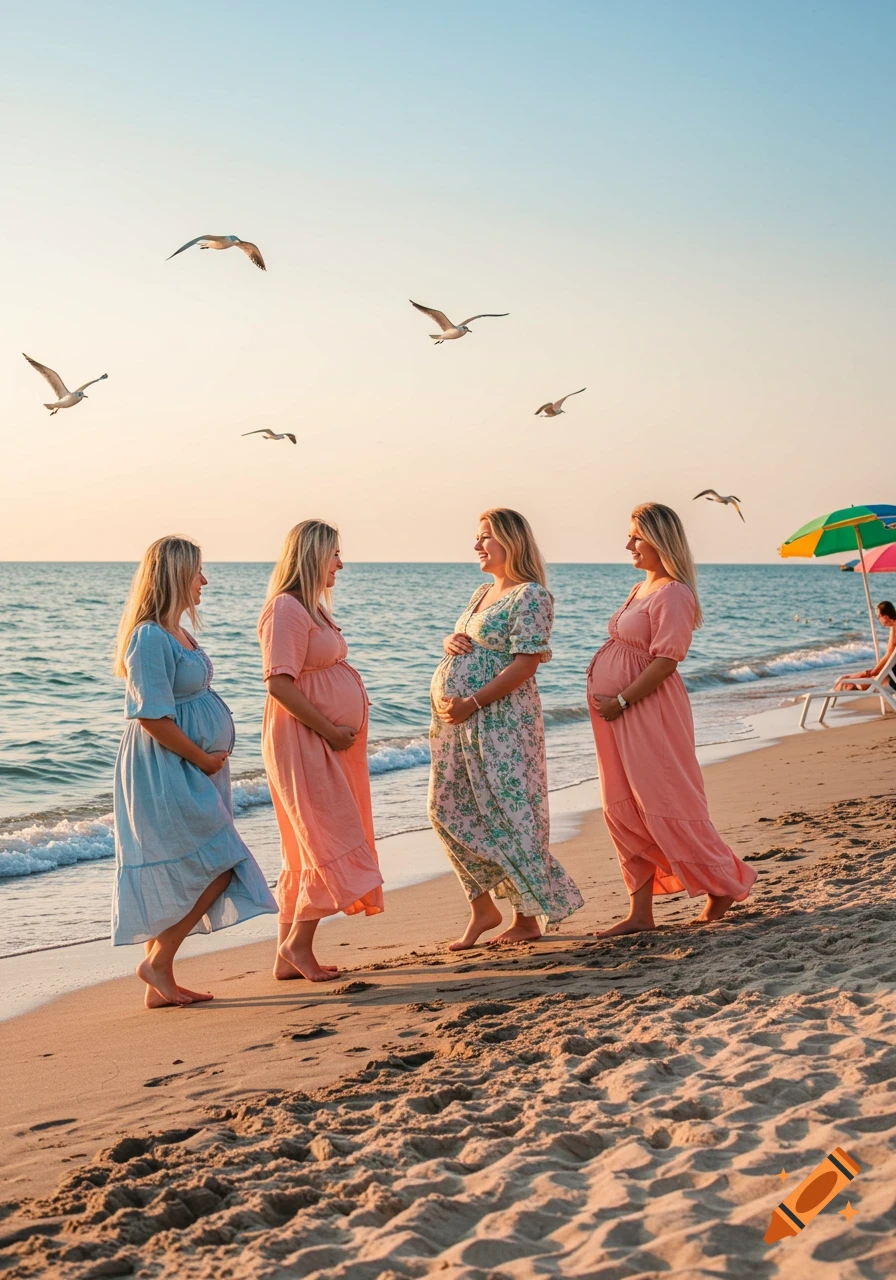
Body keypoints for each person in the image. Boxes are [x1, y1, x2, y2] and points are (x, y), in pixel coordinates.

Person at [112, 536, 277, 1008]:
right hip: (166, 768)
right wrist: (203, 758)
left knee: (195, 862)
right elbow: (150, 715)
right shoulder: (148, 636)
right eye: (197, 571)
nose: (204, 580)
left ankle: (158, 984)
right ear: (175, 576)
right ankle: (158, 962)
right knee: (221, 864)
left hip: (193, 768)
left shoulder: (178, 633)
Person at [587, 502, 756, 935]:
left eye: (636, 537)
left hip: (647, 712)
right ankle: (640, 913)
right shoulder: (642, 587)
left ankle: (725, 883)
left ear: (661, 540)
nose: (628, 545)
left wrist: (622, 700)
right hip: (615, 717)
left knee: (665, 803)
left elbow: (666, 661)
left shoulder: (675, 593)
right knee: (621, 808)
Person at [429, 508, 583, 950]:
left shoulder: (531, 595)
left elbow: (526, 662)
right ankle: (483, 908)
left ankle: (527, 918)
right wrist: (450, 642)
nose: (477, 546)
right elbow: (471, 641)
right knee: (446, 809)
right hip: (459, 724)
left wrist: (473, 700)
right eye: (477, 538)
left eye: (485, 538)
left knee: (511, 813)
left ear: (510, 542)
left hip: (502, 724)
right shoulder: (482, 591)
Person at [258, 520, 383, 982]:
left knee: (304, 843)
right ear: (312, 555)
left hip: (325, 742)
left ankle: (285, 955)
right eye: (334, 554)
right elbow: (278, 683)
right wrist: (329, 730)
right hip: (303, 739)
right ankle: (298, 945)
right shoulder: (286, 609)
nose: (340, 563)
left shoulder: (311, 608)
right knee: (323, 836)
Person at [834, 601, 896, 690]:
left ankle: (848, 687)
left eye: (878, 617)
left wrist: (872, 672)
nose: (878, 620)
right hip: (892, 673)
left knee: (848, 681)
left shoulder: (894, 628)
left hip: (893, 676)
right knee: (852, 679)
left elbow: (889, 655)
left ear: (885, 616)